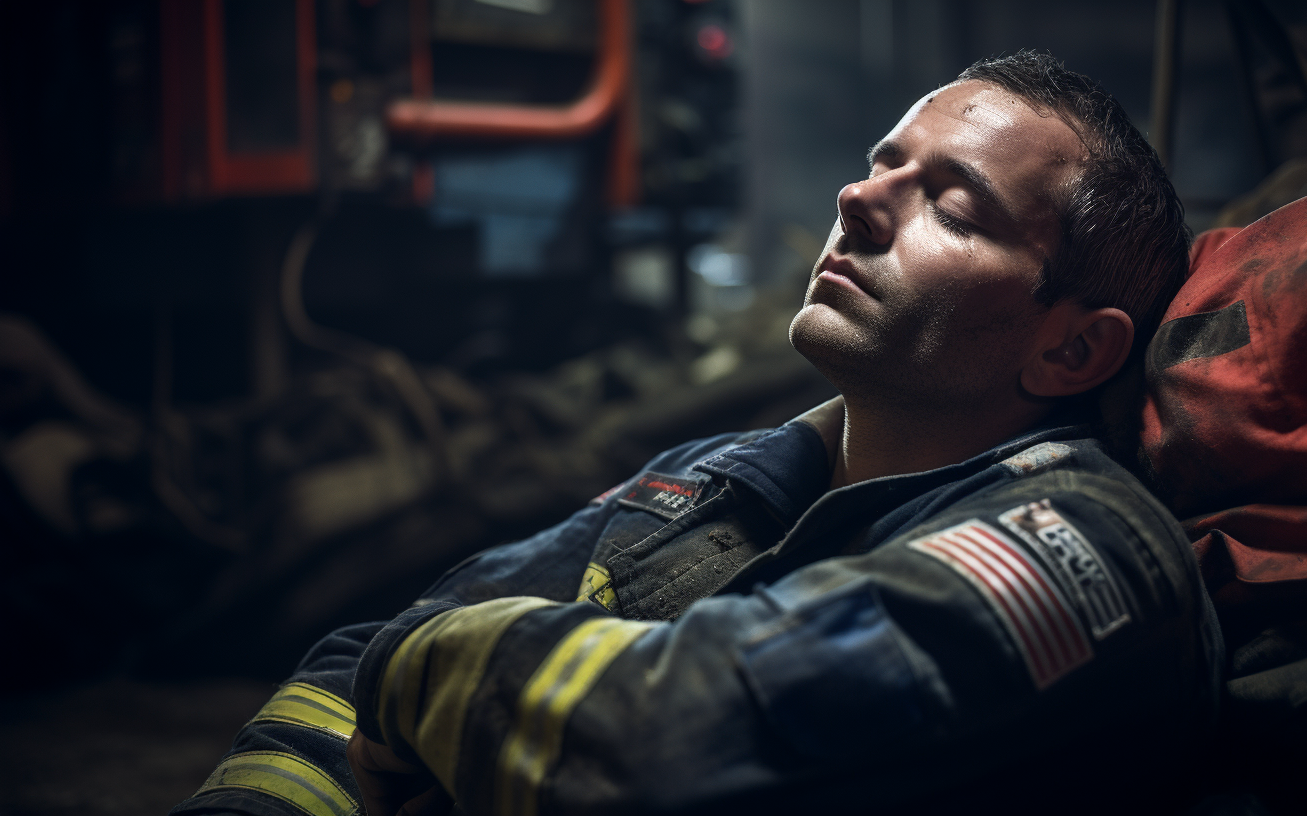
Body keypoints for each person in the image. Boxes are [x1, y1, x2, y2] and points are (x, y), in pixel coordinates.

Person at [174, 52, 1221, 816]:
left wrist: (428, 659)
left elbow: (663, 740)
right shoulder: (709, 483)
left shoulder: (1087, 548)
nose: (858, 200)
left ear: (1073, 353)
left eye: (952, 207)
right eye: (881, 165)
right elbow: (341, 663)